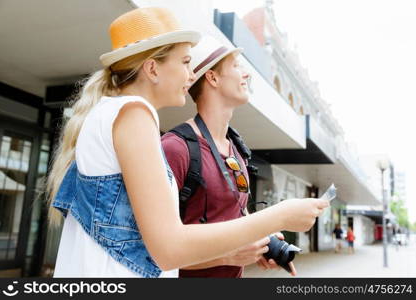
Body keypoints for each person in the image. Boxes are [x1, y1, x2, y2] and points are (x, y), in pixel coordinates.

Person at [46, 7, 329, 278]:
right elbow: (170, 249)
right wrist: (279, 216)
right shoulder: (134, 113)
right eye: (184, 62)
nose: (191, 74)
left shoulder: (116, 114)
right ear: (153, 69)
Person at [162, 36, 294, 277]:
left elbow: (231, 218)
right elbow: (152, 249)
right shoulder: (175, 148)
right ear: (212, 77)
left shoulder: (237, 150)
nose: (246, 74)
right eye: (236, 66)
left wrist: (258, 237)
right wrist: (228, 254)